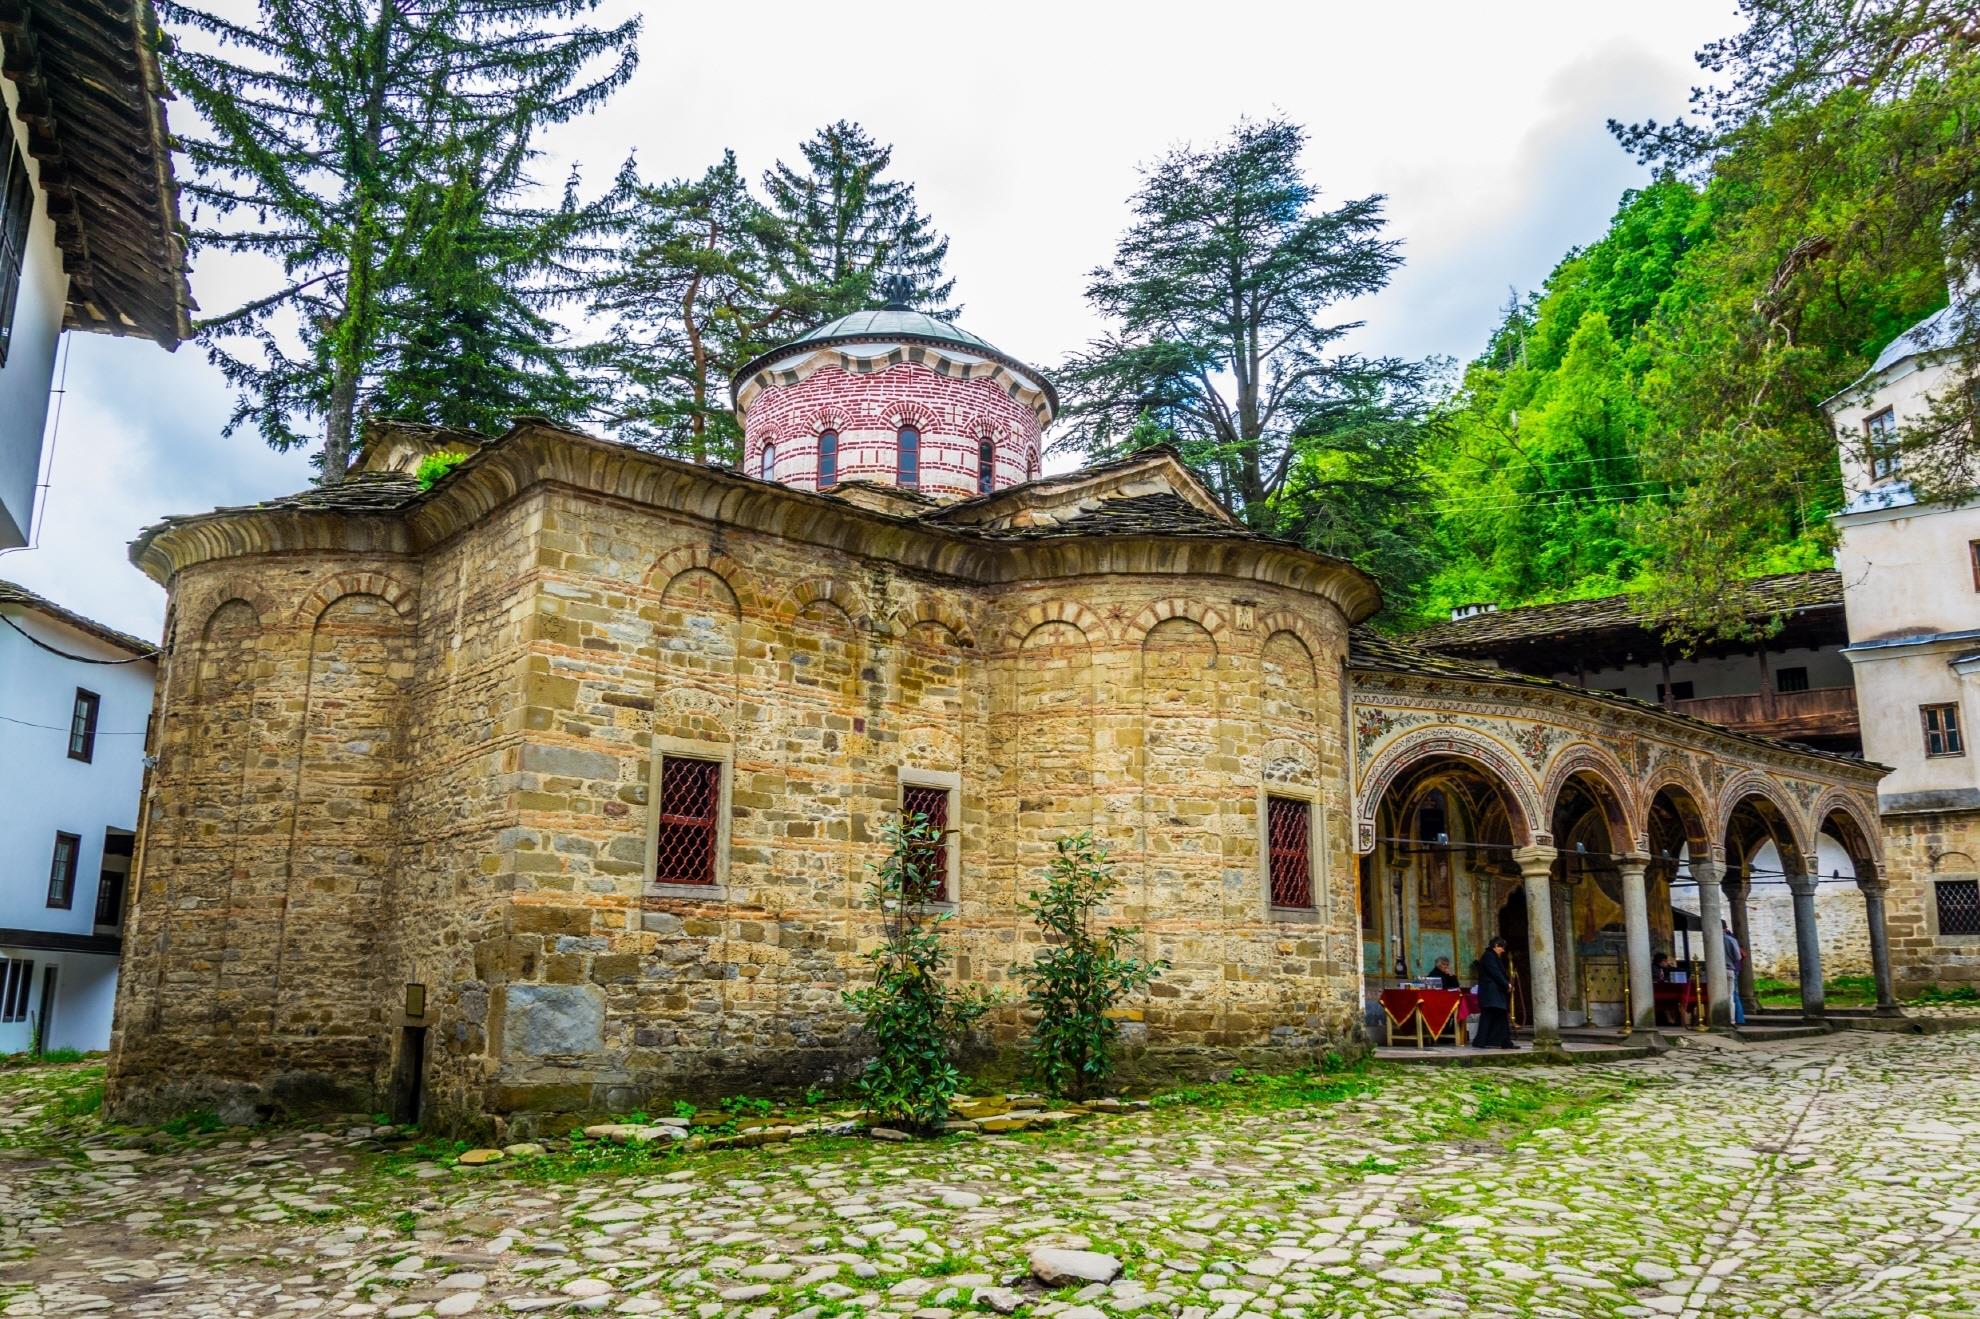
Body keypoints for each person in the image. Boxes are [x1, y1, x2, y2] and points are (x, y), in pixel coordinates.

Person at [1472, 935, 1516, 1049]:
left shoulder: (1490, 956)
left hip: (1492, 994)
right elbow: (1495, 973)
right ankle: (1501, 1042)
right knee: (1496, 1016)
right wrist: (1507, 984)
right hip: (1492, 993)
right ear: (1496, 946)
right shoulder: (1489, 956)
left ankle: (1484, 1041)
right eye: (1502, 948)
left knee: (1491, 1017)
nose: (1503, 950)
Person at [1722, 921, 1746, 1025]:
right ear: (1725, 928)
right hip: (1730, 969)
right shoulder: (1731, 939)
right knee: (1731, 996)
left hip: (1716, 972)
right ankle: (1732, 1020)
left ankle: (1719, 1019)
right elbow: (1738, 957)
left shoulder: (1711, 940)